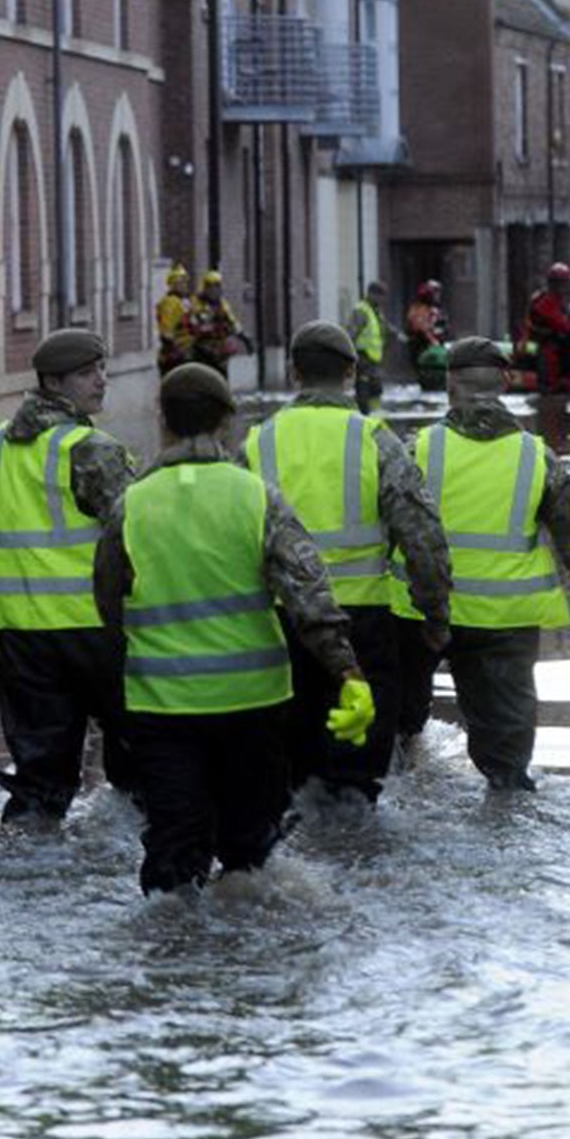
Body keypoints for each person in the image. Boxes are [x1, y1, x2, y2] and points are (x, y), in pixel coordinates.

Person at [92, 362, 373, 893]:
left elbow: (108, 603)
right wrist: (348, 671)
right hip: (254, 703)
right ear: (227, 421)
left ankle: (173, 954)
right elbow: (309, 596)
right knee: (251, 851)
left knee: (174, 848)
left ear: (163, 421)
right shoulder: (257, 497)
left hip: (162, 705)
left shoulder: (130, 506)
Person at [403, 337, 570, 790]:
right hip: (504, 622)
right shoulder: (536, 458)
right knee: (507, 768)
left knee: (399, 734)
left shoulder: (414, 451)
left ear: (449, 384)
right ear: (506, 382)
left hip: (420, 615)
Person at [243, 322, 453, 801]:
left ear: (292, 372)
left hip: (279, 626)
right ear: (352, 372)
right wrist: (435, 614)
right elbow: (423, 538)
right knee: (356, 781)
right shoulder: (376, 441)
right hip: (363, 628)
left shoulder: (258, 443)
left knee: (292, 777)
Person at [0, 328, 139, 826]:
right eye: (86, 373)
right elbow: (140, 539)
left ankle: (27, 860)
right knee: (137, 768)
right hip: (98, 634)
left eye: (102, 368)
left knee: (38, 780)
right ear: (53, 383)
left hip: (24, 638)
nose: (101, 381)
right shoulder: (92, 450)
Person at [524, 263, 570, 391]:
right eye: (565, 284)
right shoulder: (547, 303)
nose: (567, 288)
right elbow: (565, 327)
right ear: (557, 284)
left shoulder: (554, 301)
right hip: (549, 350)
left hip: (553, 349)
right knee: (550, 387)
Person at [186, 269, 245, 374]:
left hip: (219, 351)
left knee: (221, 376)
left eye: (217, 286)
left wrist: (242, 335)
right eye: (211, 287)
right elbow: (193, 325)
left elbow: (232, 321)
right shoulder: (196, 304)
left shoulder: (222, 304)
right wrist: (209, 328)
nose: (214, 290)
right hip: (202, 349)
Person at [347, 281, 389, 413]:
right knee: (363, 387)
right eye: (380, 296)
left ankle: (374, 413)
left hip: (374, 357)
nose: (382, 300)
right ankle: (363, 413)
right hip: (363, 355)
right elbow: (352, 332)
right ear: (372, 294)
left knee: (376, 387)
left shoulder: (375, 311)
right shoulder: (362, 310)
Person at [155, 264, 194, 373]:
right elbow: (166, 328)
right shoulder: (169, 302)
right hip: (177, 353)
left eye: (185, 282)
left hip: (189, 348)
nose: (185, 285)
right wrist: (175, 347)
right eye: (181, 282)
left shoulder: (184, 301)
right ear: (173, 284)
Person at [404, 279, 449, 373]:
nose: (438, 296)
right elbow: (421, 328)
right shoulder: (420, 309)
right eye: (435, 293)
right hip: (423, 346)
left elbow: (440, 326)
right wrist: (433, 341)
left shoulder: (434, 309)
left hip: (433, 345)